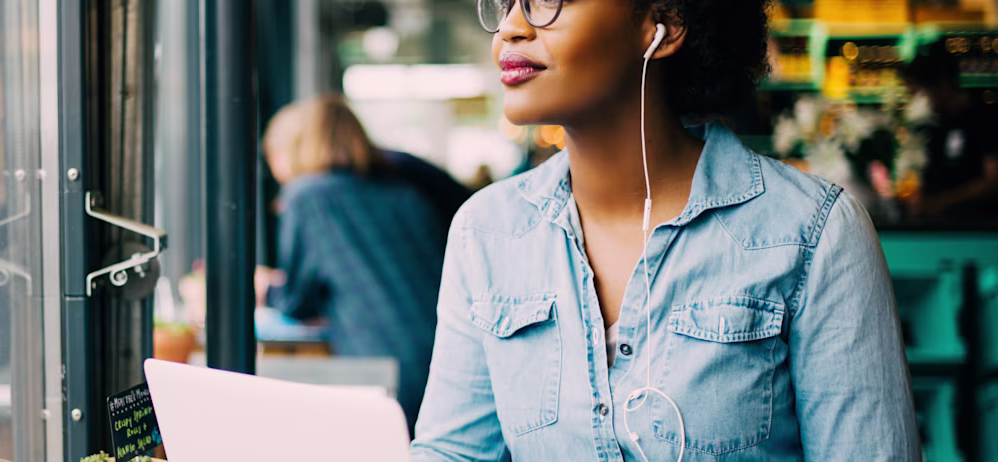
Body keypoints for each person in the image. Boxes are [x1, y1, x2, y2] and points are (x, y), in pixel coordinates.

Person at [411, 1, 918, 461]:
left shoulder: (813, 233)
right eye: (505, 4)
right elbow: (454, 453)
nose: (510, 30)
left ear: (665, 24)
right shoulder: (487, 233)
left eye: (549, 1)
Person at [260, 95, 450, 435]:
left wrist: (264, 289)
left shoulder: (309, 196)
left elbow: (295, 303)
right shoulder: (405, 193)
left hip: (383, 371)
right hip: (447, 364)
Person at [902, 42, 998, 222]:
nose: (917, 102)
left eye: (920, 93)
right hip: (940, 232)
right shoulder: (935, 127)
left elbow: (992, 181)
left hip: (979, 233)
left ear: (943, 84)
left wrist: (942, 202)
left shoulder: (985, 118)